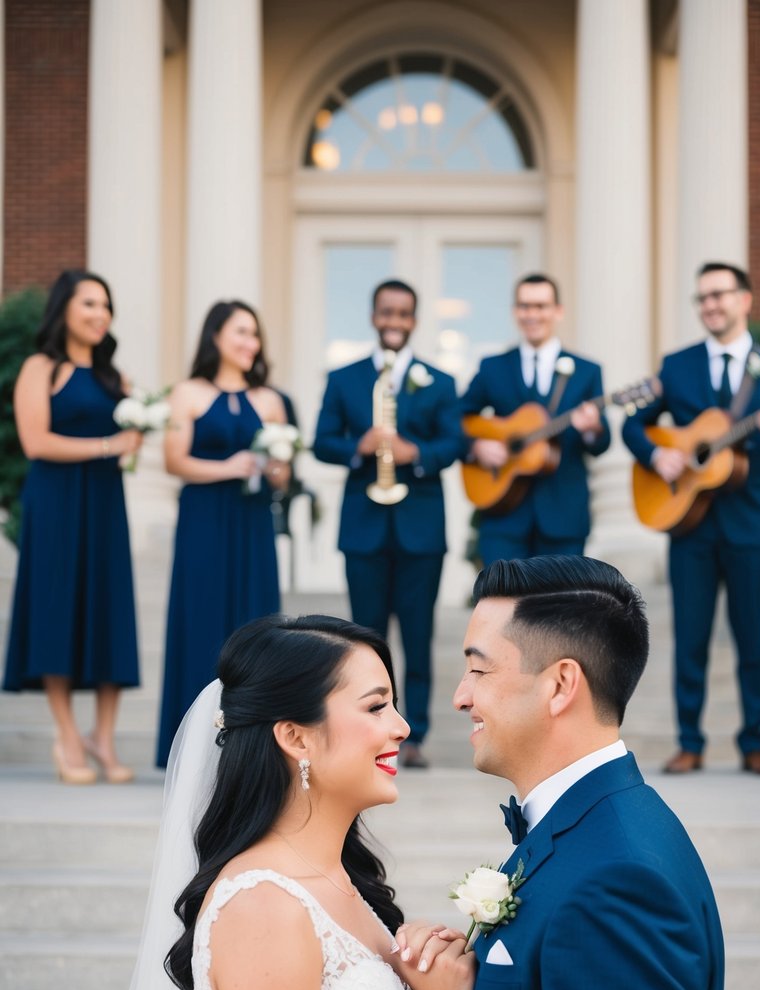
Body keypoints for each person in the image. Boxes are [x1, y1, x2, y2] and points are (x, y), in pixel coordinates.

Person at [258, 554, 725, 990]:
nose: (458, 696)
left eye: (478, 669)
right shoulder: (586, 833)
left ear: (561, 684)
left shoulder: (617, 879)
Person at [84, 613, 475, 990]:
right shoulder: (261, 903)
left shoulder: (342, 882)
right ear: (295, 736)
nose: (400, 726)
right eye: (375, 707)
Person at [622, 261, 760, 776]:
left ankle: (754, 743)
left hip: (754, 524)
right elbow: (634, 425)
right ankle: (690, 743)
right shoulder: (676, 365)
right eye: (703, 298)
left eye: (720, 295)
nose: (711, 305)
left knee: (753, 638)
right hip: (692, 525)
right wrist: (656, 456)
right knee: (692, 638)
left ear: (745, 300)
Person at [313, 279, 465, 769]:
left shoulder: (439, 381)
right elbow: (321, 441)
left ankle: (413, 733)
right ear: (373, 316)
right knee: (363, 640)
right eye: (386, 313)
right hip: (364, 528)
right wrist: (356, 445)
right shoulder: (344, 377)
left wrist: (415, 452)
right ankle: (367, 730)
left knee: (417, 637)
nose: (394, 322)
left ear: (414, 321)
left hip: (420, 529)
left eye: (403, 314)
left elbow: (454, 443)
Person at [3, 269, 142, 783]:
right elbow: (36, 441)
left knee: (109, 611)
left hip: (105, 503)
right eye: (89, 304)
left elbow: (130, 446)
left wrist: (139, 434)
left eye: (105, 305)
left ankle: (102, 737)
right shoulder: (41, 368)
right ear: (64, 309)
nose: (100, 314)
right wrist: (109, 446)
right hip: (56, 503)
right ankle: (67, 737)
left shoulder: (117, 379)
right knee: (56, 610)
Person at [156, 299, 292, 767]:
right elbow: (174, 460)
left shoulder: (271, 400)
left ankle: (251, 749)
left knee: (256, 628)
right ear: (216, 336)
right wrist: (227, 466)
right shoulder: (187, 393)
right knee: (201, 621)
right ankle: (192, 749)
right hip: (204, 521)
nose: (250, 343)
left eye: (254, 334)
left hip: (252, 521)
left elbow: (283, 477)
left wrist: (275, 468)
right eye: (240, 332)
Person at [463, 273, 610, 565]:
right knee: (502, 607)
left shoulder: (587, 371)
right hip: (502, 513)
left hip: (563, 514)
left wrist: (592, 429)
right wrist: (476, 446)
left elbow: (600, 443)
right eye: (525, 306)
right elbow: (455, 418)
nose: (532, 314)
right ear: (515, 311)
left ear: (558, 311)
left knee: (559, 609)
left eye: (541, 306)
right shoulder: (493, 367)